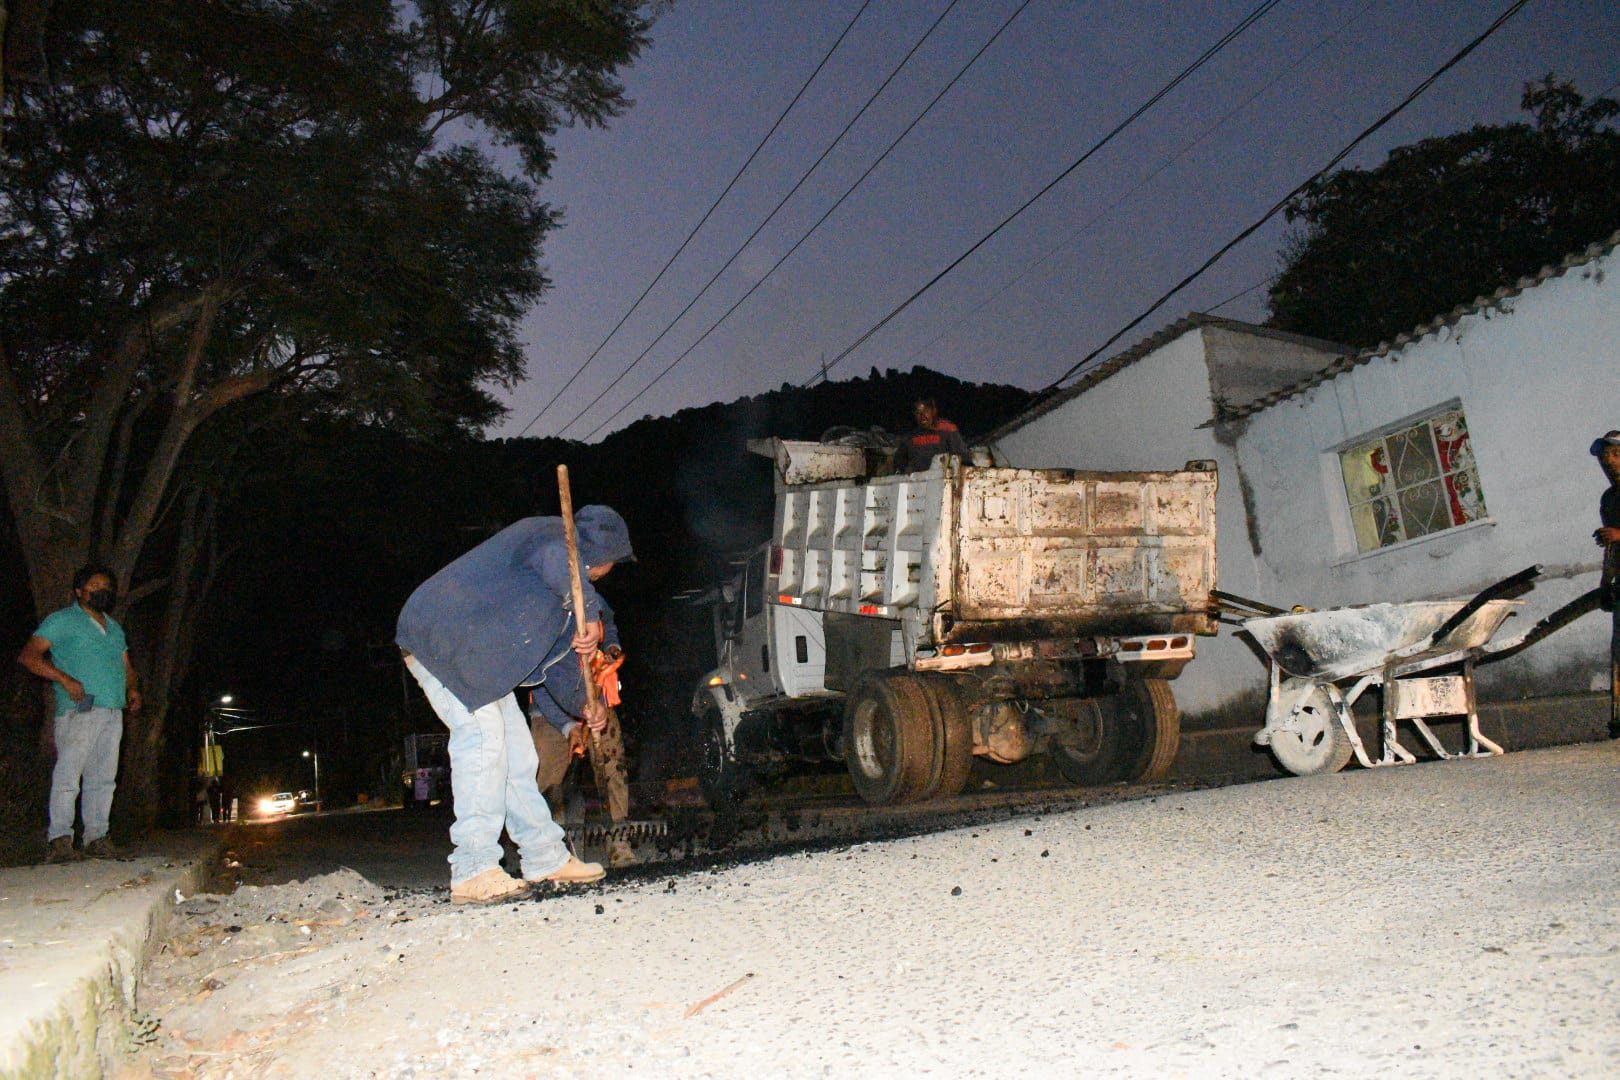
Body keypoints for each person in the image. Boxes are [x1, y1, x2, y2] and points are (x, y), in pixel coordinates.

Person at [396, 505, 633, 905]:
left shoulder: (562, 607)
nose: (602, 575)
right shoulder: (547, 536)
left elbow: (554, 669)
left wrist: (584, 707)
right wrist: (587, 609)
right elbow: (561, 561)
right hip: (443, 638)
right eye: (605, 565)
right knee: (483, 736)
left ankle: (544, 857)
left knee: (518, 753)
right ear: (598, 550)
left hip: (479, 660)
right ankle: (473, 866)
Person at [17, 564, 141, 863]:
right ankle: (60, 839)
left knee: (104, 777)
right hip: (80, 708)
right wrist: (64, 678)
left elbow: (127, 667)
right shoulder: (63, 620)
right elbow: (29, 656)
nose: (102, 591)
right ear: (79, 592)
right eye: (95, 586)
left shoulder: (114, 628)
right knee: (69, 774)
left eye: (107, 587)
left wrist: (133, 689)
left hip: (112, 710)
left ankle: (97, 837)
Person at [526, 601, 636, 867]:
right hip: (549, 714)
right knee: (551, 782)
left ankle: (619, 843)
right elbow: (537, 681)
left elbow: (607, 621)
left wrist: (611, 645)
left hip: (599, 703)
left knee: (612, 772)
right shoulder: (540, 609)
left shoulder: (590, 597)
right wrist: (567, 725)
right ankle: (553, 853)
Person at [1592, 430, 1620, 739]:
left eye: (1614, 454)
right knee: (1619, 651)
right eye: (1605, 457)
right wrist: (1605, 581)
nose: (1609, 462)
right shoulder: (1609, 498)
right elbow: (1611, 546)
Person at [894, 398, 970, 473]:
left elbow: (963, 457)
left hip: (943, 479)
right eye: (918, 413)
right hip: (918, 481)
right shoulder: (911, 435)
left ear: (934, 411)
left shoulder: (947, 429)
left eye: (926, 411)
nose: (922, 416)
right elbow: (899, 459)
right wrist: (905, 469)